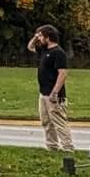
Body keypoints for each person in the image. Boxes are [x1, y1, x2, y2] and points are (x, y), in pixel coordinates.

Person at [26, 23, 72, 158]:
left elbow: (62, 73)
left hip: (54, 94)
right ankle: (52, 146)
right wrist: (36, 36)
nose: (39, 38)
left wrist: (55, 92)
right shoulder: (44, 50)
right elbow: (30, 47)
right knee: (46, 121)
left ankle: (68, 147)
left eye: (41, 36)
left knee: (59, 121)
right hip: (43, 93)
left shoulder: (58, 53)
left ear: (48, 37)